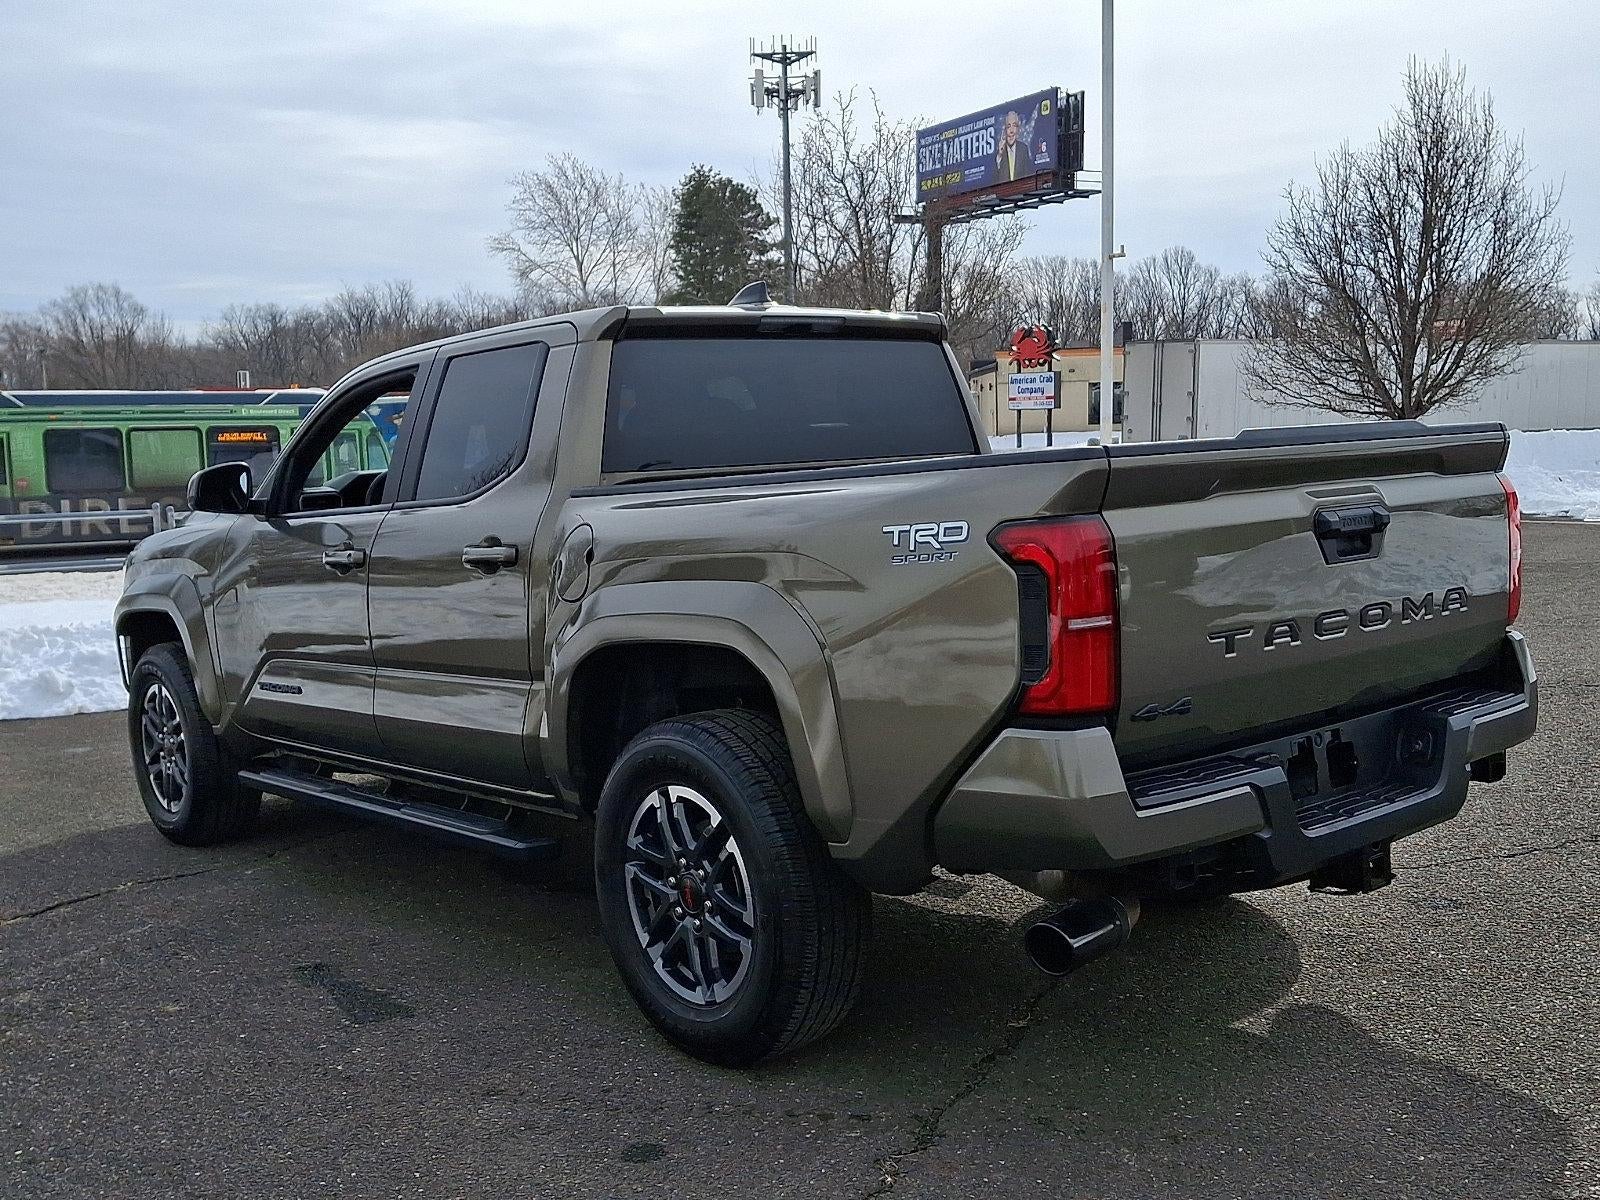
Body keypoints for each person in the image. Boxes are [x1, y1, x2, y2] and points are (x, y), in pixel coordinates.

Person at [996, 110, 1025, 181]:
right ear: (1005, 130)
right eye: (1008, 126)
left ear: (1018, 129)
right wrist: (1000, 155)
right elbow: (994, 179)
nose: (1011, 131)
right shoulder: (999, 151)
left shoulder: (1023, 149)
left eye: (1014, 126)